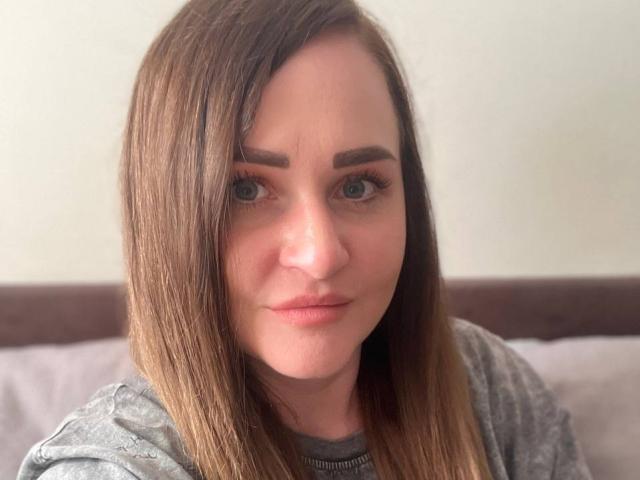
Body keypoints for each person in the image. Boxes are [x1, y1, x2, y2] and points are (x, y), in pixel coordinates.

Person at [18, 0, 593, 479]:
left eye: (358, 185)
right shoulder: (117, 467)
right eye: (246, 190)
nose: (320, 255)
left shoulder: (487, 390)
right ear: (168, 217)